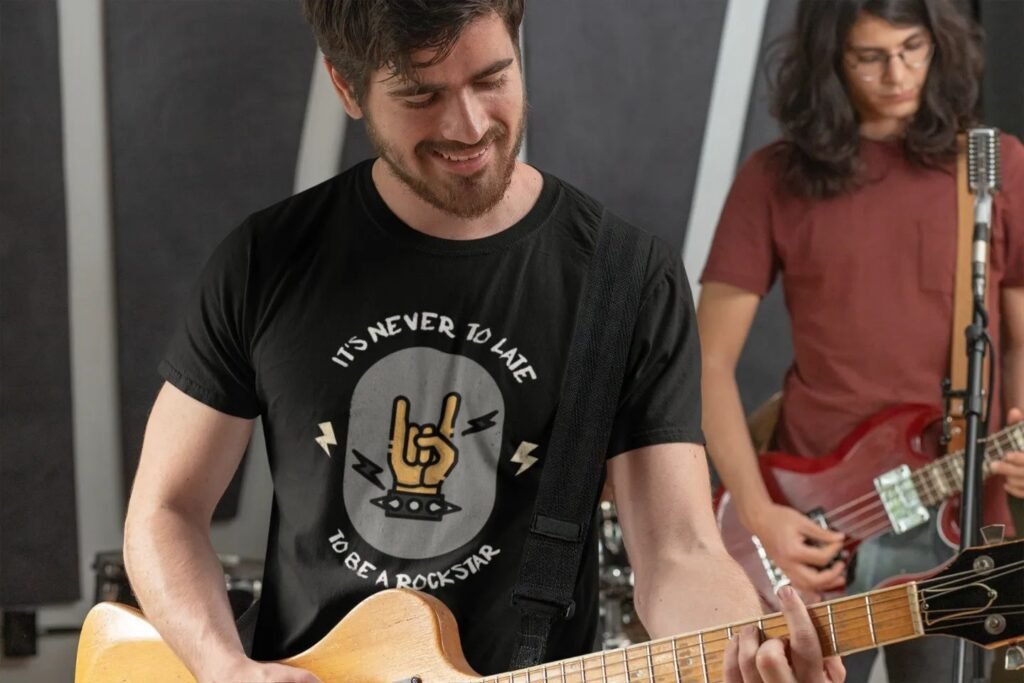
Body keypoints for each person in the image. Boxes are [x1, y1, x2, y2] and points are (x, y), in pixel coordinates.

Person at [122, 2, 844, 682]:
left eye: (492, 78)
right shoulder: (268, 260)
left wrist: (744, 651)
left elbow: (679, 551)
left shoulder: (626, 278)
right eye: (421, 95)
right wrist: (223, 665)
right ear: (346, 86)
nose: (469, 126)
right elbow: (164, 510)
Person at [698, 0, 1024, 681]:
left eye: (913, 49)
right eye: (870, 57)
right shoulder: (773, 177)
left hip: (957, 514)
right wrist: (759, 513)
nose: (898, 75)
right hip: (819, 523)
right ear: (830, 60)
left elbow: (1018, 341)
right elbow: (706, 361)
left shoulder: (992, 169)